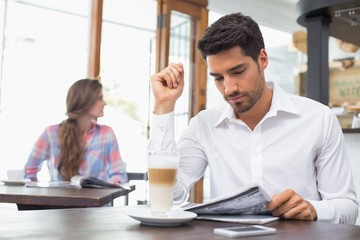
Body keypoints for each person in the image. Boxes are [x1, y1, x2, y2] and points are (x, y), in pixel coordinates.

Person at [149, 12, 358, 224]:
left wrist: (314, 209)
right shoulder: (204, 125)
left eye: (238, 71)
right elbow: (168, 197)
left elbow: (348, 207)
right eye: (218, 78)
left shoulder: (319, 119)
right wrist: (164, 106)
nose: (229, 89)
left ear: (263, 59)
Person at [24, 79, 128, 184]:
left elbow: (118, 174)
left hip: (96, 200)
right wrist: (37, 197)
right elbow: (29, 171)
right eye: (100, 98)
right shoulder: (51, 133)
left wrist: (107, 189)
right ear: (85, 101)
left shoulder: (106, 133)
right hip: (61, 200)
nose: (104, 103)